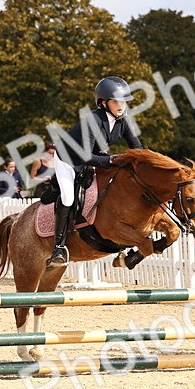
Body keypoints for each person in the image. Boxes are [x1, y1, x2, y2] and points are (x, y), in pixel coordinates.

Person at [47, 76, 143, 266]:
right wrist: (112, 159)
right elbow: (85, 156)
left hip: (93, 155)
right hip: (69, 159)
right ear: (103, 102)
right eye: (117, 101)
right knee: (68, 197)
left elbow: (137, 148)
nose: (122, 106)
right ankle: (58, 247)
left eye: (124, 101)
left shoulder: (123, 120)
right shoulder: (92, 119)